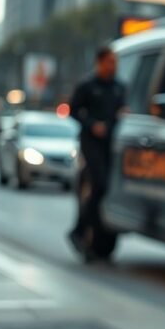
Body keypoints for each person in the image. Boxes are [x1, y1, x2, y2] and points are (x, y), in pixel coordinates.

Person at [68, 46, 125, 260]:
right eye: (109, 61)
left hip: (111, 143)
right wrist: (92, 124)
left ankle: (85, 232)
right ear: (99, 62)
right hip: (90, 142)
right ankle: (81, 231)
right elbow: (73, 111)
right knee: (98, 184)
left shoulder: (119, 87)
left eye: (115, 62)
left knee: (103, 189)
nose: (113, 66)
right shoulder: (87, 85)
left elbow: (121, 110)